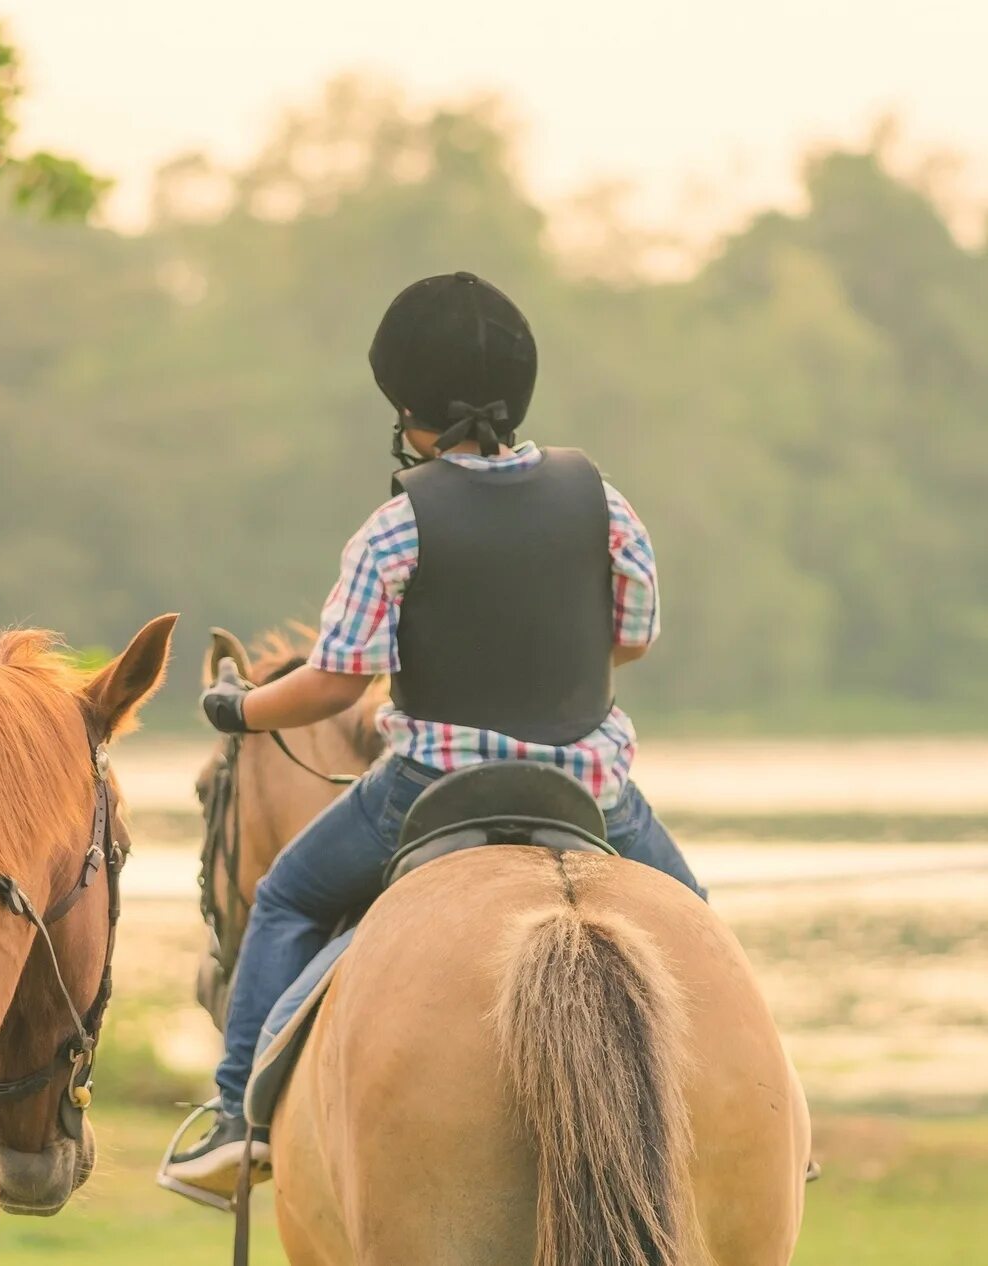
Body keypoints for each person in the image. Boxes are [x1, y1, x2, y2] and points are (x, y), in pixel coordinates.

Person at [162, 271, 707, 1193]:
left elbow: (336, 685)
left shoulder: (395, 525)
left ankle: (233, 1121)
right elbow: (636, 635)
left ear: (408, 410)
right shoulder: (602, 501)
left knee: (290, 897)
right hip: (595, 792)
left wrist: (239, 707)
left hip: (428, 789)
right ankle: (768, 1113)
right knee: (697, 930)